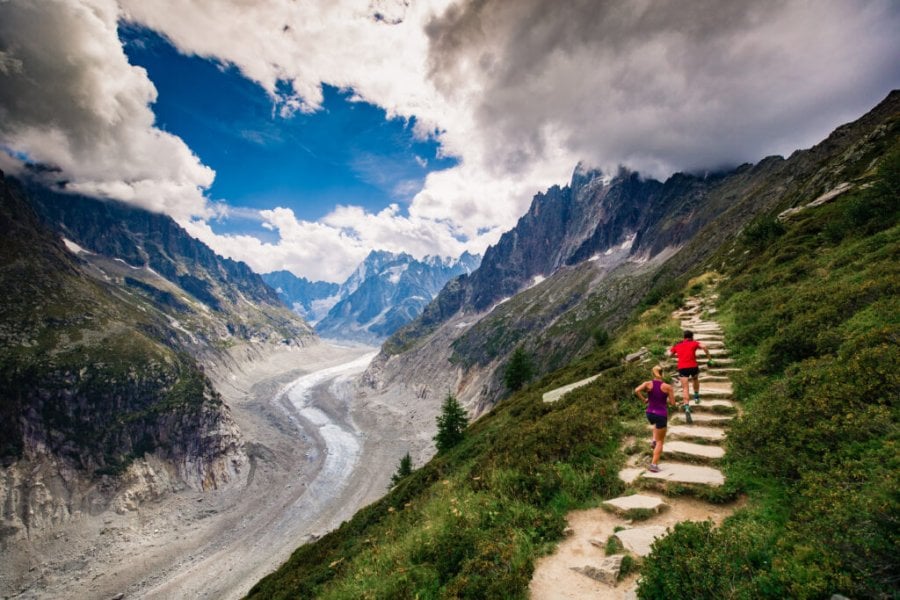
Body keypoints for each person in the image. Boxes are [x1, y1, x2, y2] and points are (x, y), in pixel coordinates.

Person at [634, 366, 676, 472]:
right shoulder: (667, 387)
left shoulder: (647, 384)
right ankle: (654, 465)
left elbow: (637, 390)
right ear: (663, 374)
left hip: (649, 414)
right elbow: (672, 403)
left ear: (652, 374)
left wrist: (644, 399)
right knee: (660, 442)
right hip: (661, 414)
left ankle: (653, 440)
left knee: (656, 426)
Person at [669, 331, 712, 414]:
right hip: (693, 367)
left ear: (684, 337)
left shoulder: (677, 345)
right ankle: (696, 396)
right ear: (692, 337)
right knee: (695, 379)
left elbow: (669, 355)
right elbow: (704, 346)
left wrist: (675, 351)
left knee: (685, 388)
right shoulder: (694, 343)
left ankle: (687, 406)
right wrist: (710, 359)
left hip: (682, 368)